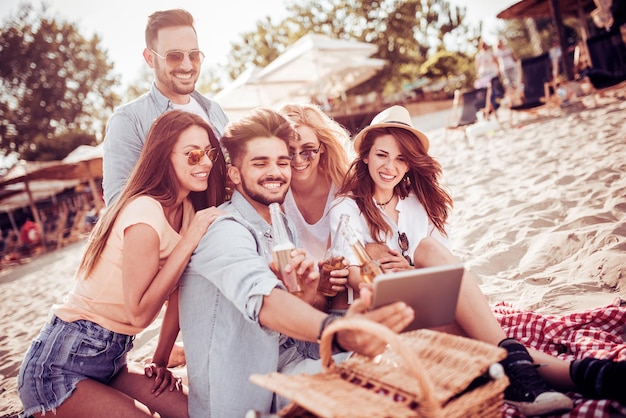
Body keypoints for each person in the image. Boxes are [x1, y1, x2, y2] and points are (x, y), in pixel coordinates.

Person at [329, 105, 626, 416]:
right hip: (384, 311)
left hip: (428, 304)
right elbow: (352, 271)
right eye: (382, 155)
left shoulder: (415, 204)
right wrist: (391, 276)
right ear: (364, 155)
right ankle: (576, 372)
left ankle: (556, 373)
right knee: (473, 327)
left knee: (429, 251)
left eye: (401, 158)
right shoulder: (347, 207)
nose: (390, 166)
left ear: (409, 165)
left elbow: (445, 266)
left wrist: (412, 270)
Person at [178, 108, 414, 418]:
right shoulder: (225, 230)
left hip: (296, 361)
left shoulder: (283, 226)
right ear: (235, 174)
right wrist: (339, 331)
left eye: (282, 162)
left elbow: (296, 312)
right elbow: (264, 302)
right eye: (260, 163)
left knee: (404, 360)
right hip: (252, 396)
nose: (275, 172)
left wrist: (309, 293)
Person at [17, 110, 228, 418]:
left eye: (208, 153)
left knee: (196, 412)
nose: (207, 163)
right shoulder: (145, 213)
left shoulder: (186, 211)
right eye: (193, 155)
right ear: (163, 156)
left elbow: (177, 293)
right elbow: (139, 311)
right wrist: (191, 238)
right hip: (58, 366)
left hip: (114, 361)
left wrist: (159, 360)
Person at [103, 8, 228, 209]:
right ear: (150, 59)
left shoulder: (214, 110)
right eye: (174, 56)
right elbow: (120, 204)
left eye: (194, 55)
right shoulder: (128, 121)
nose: (187, 66)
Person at [278, 104, 354, 311]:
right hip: (308, 290)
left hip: (348, 283)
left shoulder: (345, 187)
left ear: (322, 147)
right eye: (288, 152)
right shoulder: (276, 197)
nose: (299, 160)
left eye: (308, 151)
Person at [474, 39, 503, 117]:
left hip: (492, 75)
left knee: (494, 93)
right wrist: (478, 75)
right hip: (484, 77)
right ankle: (489, 110)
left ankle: (494, 108)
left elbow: (496, 62)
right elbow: (477, 66)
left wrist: (499, 71)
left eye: (485, 45)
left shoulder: (490, 53)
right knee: (486, 95)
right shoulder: (479, 55)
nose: (484, 46)